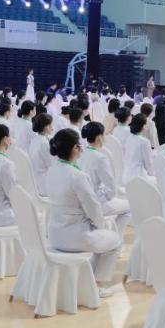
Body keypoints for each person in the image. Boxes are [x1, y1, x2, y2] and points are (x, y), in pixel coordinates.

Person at [45, 129, 121, 297]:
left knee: (102, 238)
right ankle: (96, 285)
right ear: (75, 148)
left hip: (55, 234)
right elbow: (93, 209)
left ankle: (88, 281)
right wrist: (100, 226)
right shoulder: (77, 176)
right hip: (76, 237)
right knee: (115, 241)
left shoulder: (52, 170)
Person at [78, 122, 131, 236]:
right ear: (99, 137)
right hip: (97, 202)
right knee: (129, 207)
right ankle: (116, 238)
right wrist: (105, 196)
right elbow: (111, 189)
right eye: (104, 135)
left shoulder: (81, 154)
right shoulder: (100, 158)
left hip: (82, 201)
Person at [122, 114, 154, 185]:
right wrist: (153, 174)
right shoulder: (144, 141)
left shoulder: (129, 137)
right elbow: (148, 163)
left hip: (126, 174)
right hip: (139, 177)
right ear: (143, 126)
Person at [29, 113, 54, 196]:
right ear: (46, 127)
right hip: (44, 183)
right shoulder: (44, 144)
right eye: (50, 125)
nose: (52, 128)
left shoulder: (35, 140)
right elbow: (51, 164)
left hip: (36, 179)